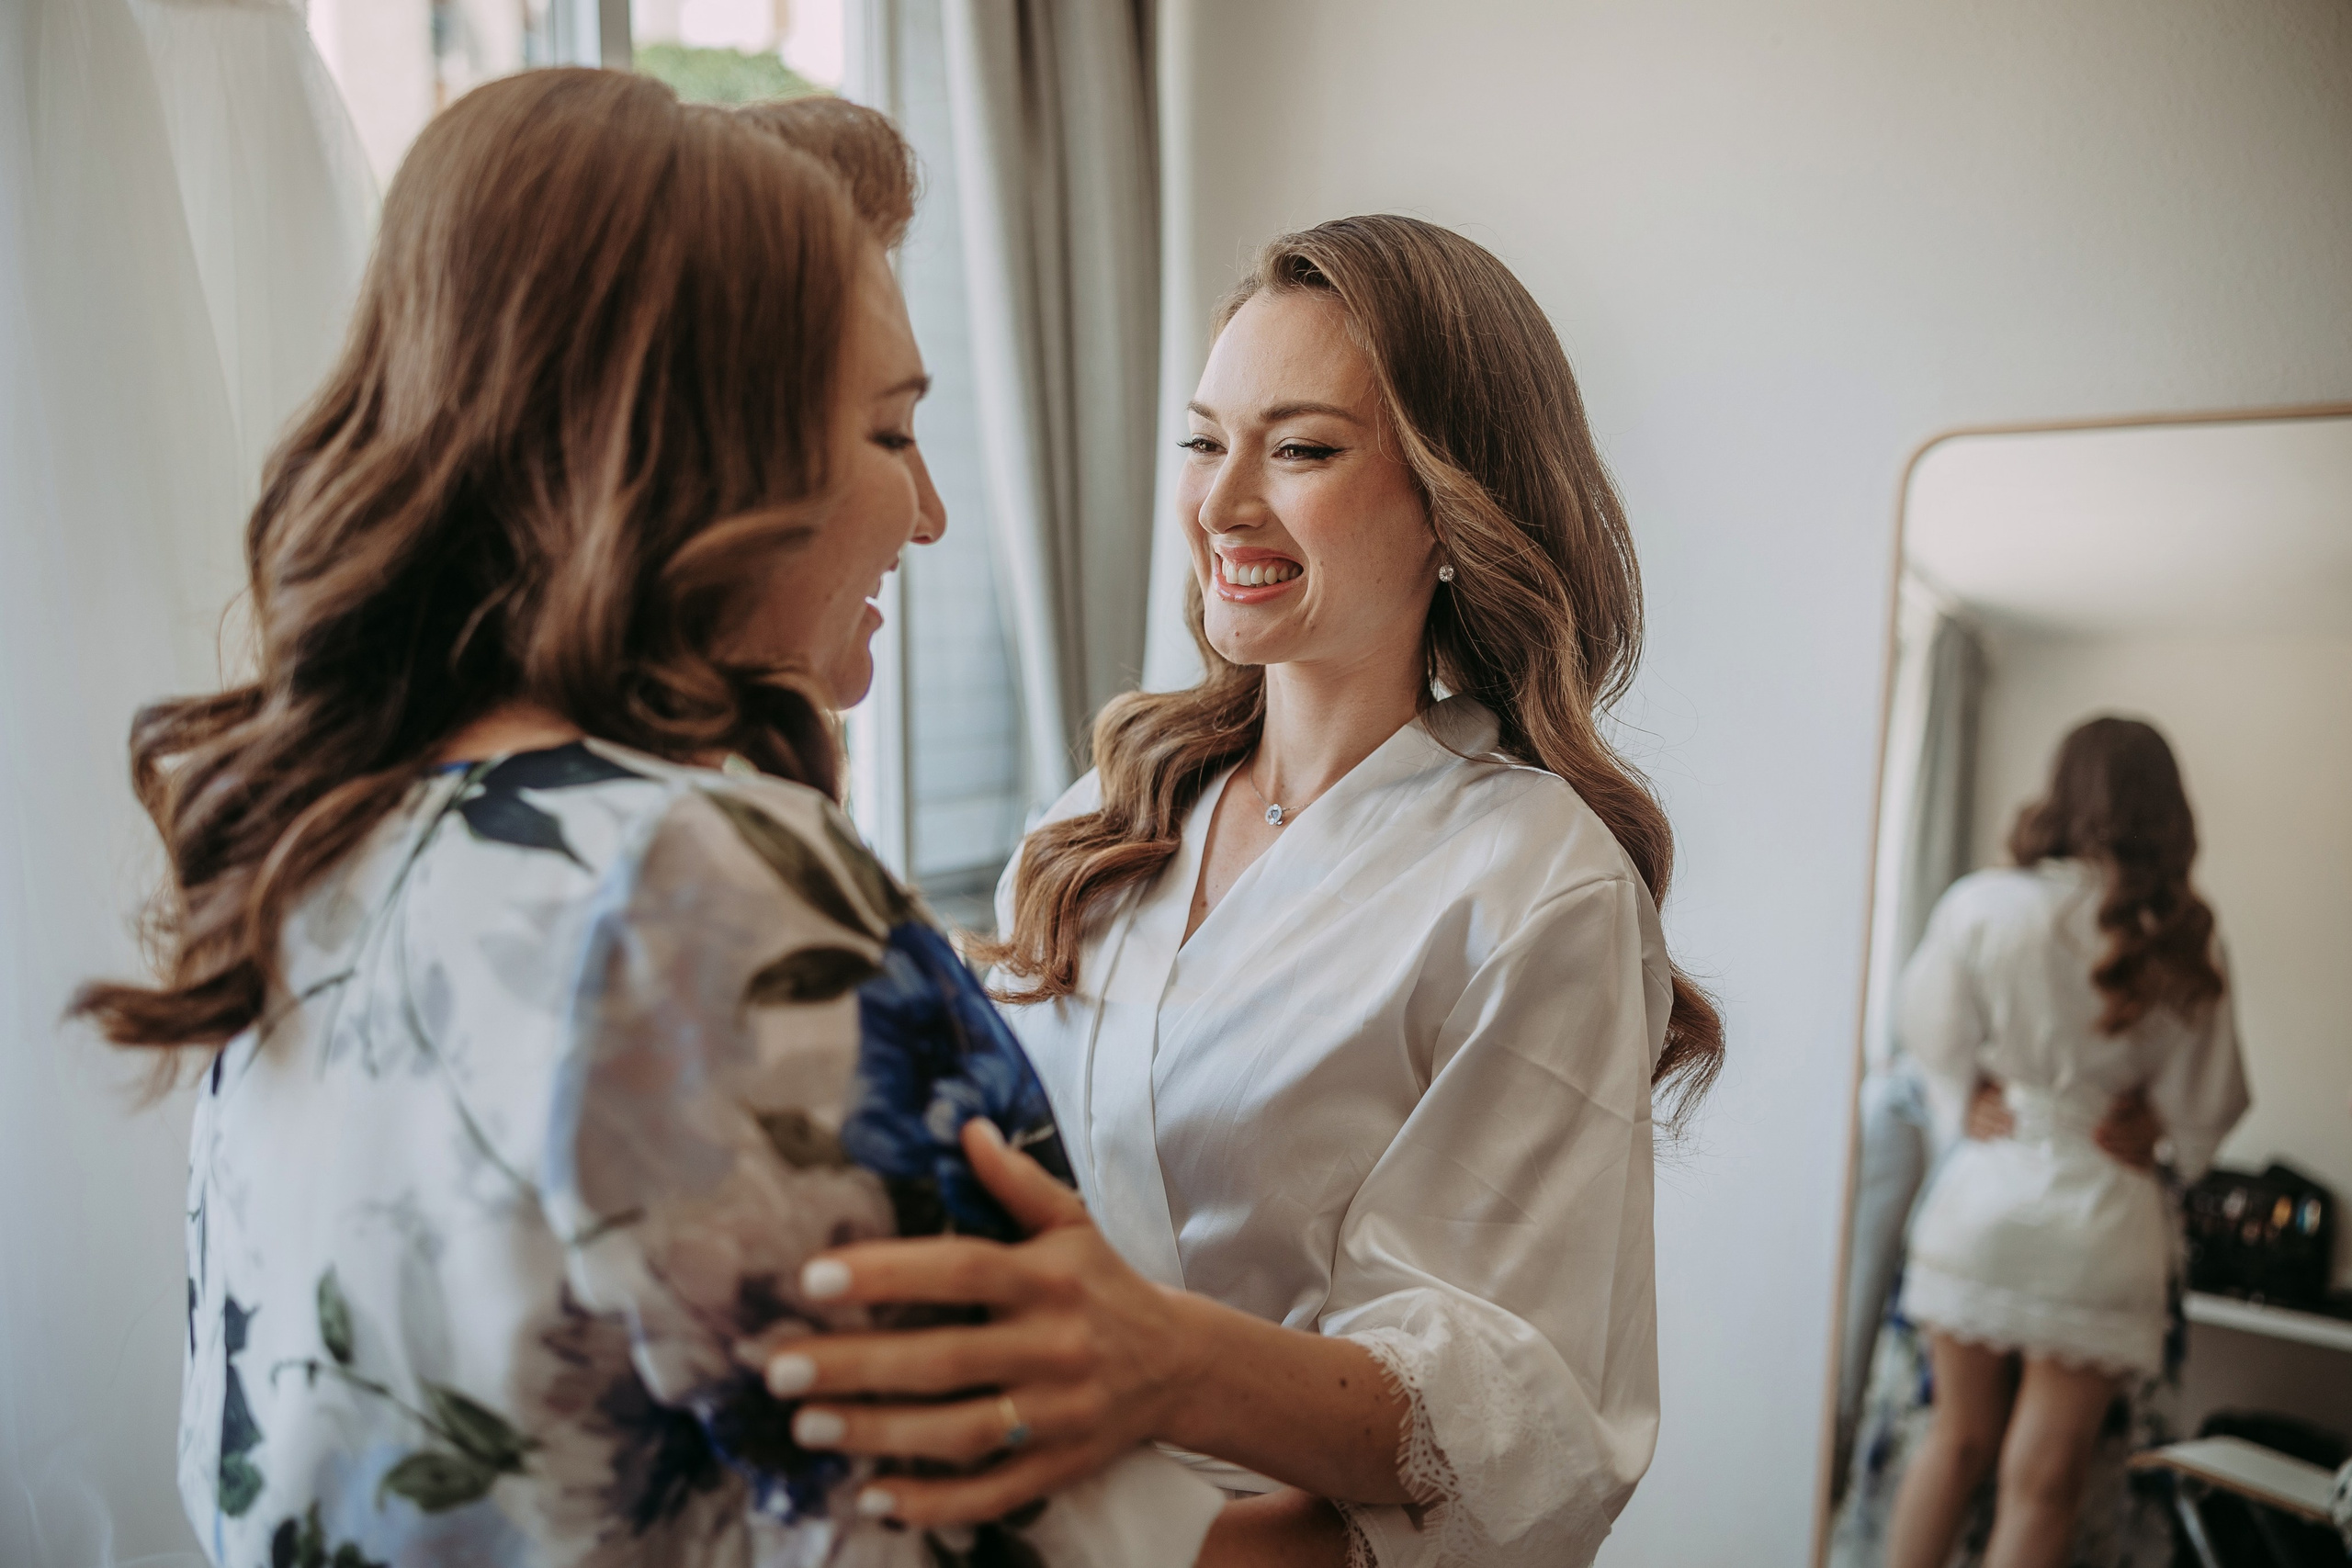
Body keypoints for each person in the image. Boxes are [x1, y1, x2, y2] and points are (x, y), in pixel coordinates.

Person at [73, 72, 1226, 1568]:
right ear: (702, 463)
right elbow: (973, 1533)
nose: (927, 515)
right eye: (887, 437)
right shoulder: (683, 875)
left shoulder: (317, 840)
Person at [745, 215, 1726, 1567]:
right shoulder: (1103, 810)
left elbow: (1522, 1414)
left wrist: (1163, 1431)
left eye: (1304, 448)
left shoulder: (1537, 881)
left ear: (1455, 501)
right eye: (1205, 440)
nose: (1221, 501)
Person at [1883, 717, 2250, 1568]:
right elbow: (2210, 1106)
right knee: (2044, 1482)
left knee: (1953, 1441)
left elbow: (1925, 1035)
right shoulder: (2186, 935)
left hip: (1986, 1198)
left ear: (2060, 790)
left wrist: (1967, 1093)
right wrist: (2162, 1127)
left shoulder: (1983, 903)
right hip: (2101, 1215)